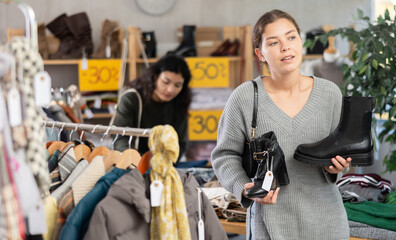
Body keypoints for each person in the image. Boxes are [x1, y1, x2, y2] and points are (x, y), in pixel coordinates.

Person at [211, 9, 351, 239]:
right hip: (270, 226)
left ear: (300, 40)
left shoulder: (330, 94)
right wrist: (244, 188)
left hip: (327, 223)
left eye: (291, 37)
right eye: (274, 42)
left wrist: (337, 167)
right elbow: (224, 156)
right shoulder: (245, 98)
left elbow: (342, 153)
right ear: (261, 54)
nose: (286, 46)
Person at [113, 55, 191, 161]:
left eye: (177, 85)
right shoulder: (132, 99)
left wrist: (164, 163)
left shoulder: (180, 102)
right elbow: (120, 138)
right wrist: (139, 163)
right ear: (155, 76)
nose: (170, 90)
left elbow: (181, 143)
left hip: (163, 166)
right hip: (133, 163)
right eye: (166, 82)